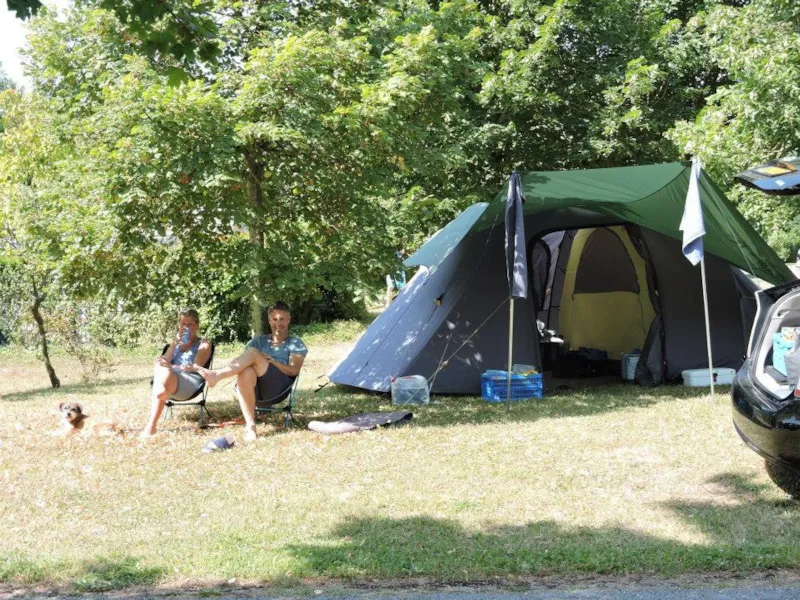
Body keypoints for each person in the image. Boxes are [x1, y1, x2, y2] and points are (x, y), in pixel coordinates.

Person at [197, 301, 307, 441]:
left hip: (279, 387)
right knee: (246, 371)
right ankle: (251, 427)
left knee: (254, 353)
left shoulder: (295, 343)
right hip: (255, 389)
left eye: (282, 319)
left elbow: (293, 371)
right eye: (274, 319)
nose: (278, 323)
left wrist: (273, 362)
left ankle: (217, 375)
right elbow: (239, 363)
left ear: (289, 320)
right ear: (269, 320)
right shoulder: (257, 341)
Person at [140, 308, 212, 439]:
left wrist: (171, 366)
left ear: (197, 326)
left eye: (190, 324)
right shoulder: (175, 343)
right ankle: (160, 392)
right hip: (170, 378)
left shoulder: (204, 343)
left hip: (190, 381)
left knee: (162, 371)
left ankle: (152, 423)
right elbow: (162, 361)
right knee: (160, 364)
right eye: (183, 324)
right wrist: (174, 344)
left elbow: (195, 367)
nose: (186, 327)